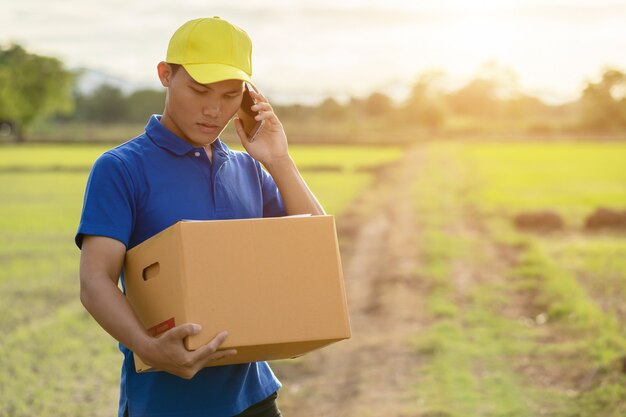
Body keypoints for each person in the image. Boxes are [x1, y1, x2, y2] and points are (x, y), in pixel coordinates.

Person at [76, 17, 324, 417]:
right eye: (199, 89)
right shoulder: (120, 168)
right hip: (164, 403)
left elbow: (317, 251)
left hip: (255, 399)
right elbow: (94, 281)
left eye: (230, 95)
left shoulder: (249, 171)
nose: (213, 110)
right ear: (165, 74)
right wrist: (149, 347)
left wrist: (279, 160)